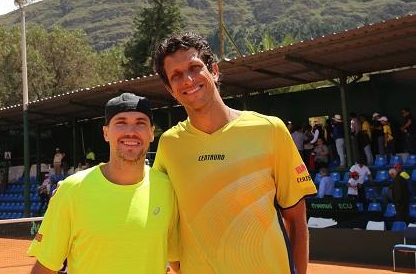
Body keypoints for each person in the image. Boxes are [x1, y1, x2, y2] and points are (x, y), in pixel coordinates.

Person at [153, 32, 316, 274]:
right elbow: (168, 223)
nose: (187, 79)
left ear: (214, 71)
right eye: (176, 75)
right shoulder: (169, 145)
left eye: (194, 67)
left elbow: (296, 221)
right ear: (170, 90)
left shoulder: (269, 129)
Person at [28, 93, 179, 274]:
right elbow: (44, 268)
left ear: (151, 133)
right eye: (121, 122)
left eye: (140, 123)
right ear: (106, 133)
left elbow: (177, 262)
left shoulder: (168, 189)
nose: (131, 131)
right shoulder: (72, 190)